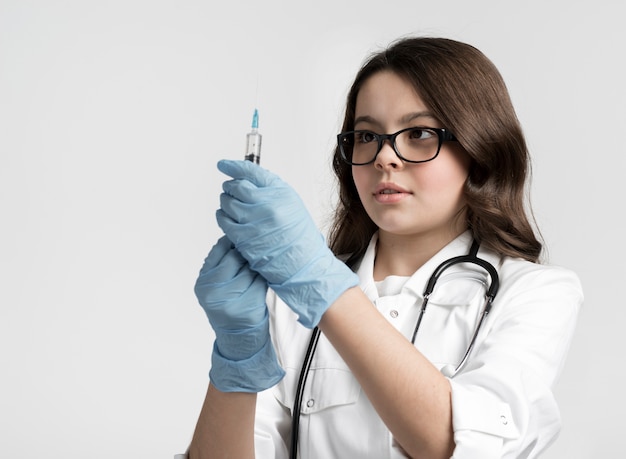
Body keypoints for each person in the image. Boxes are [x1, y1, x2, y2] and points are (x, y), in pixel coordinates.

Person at [183, 36, 583, 459]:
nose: (384, 158)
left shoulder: (536, 293)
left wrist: (323, 285)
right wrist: (236, 360)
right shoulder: (289, 303)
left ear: (479, 149)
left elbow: (461, 444)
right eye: (367, 135)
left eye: (418, 133)